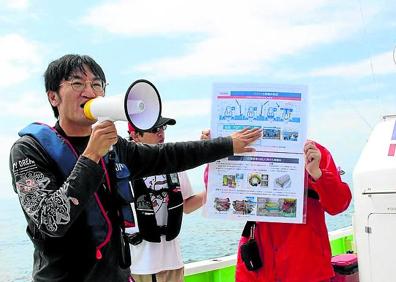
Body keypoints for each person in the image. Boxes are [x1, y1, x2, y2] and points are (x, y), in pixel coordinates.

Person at [8, 54, 262, 282]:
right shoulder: (29, 150)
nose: (90, 91)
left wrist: (228, 145)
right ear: (53, 96)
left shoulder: (114, 146)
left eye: (97, 84)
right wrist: (91, 156)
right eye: (77, 83)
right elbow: (50, 222)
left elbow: (168, 156)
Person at [201, 131, 351, 282]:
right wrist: (215, 151)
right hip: (258, 264)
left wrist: (317, 173)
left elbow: (338, 205)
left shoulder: (313, 151)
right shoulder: (238, 147)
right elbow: (216, 192)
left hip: (306, 266)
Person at [127, 117, 207, 282]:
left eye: (163, 128)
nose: (160, 133)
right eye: (154, 129)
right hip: (138, 266)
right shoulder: (122, 168)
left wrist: (214, 192)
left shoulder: (174, 161)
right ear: (135, 135)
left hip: (173, 263)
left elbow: (187, 205)